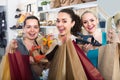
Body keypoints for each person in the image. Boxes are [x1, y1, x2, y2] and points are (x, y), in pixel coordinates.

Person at [6, 15, 41, 80]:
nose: (32, 30)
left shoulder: (41, 46)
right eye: (28, 27)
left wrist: (35, 63)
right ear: (23, 28)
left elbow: (39, 73)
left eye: (35, 27)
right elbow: (7, 68)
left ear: (39, 29)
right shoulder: (15, 44)